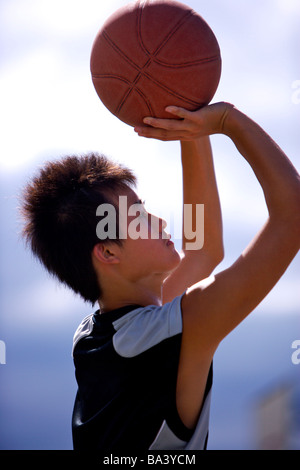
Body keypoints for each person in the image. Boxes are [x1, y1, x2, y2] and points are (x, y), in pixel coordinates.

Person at [21, 102, 300, 451]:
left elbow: (202, 251)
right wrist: (229, 121)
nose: (161, 221)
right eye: (139, 215)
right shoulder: (166, 333)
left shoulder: (101, 334)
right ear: (108, 252)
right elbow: (292, 216)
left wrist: (190, 130)